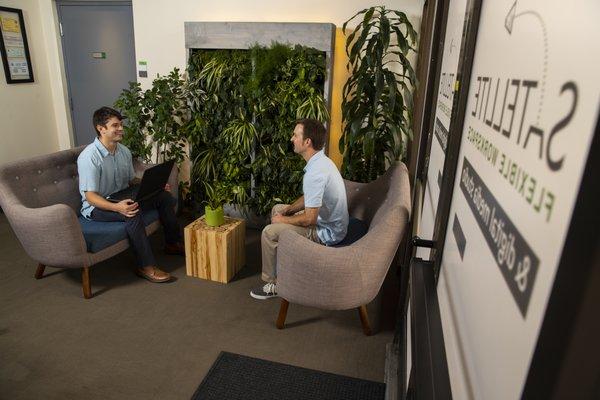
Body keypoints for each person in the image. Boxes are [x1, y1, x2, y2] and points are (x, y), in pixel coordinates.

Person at [77, 106, 185, 283]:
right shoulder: (89, 157)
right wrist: (117, 208)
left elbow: (130, 181)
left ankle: (172, 243)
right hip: (97, 206)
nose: (121, 129)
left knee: (163, 197)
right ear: (101, 128)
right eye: (115, 125)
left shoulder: (123, 151)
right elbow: (90, 197)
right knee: (132, 212)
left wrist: (153, 186)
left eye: (121, 124)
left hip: (121, 195)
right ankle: (146, 265)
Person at [250, 119, 349, 300]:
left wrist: (283, 221)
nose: (291, 139)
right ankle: (287, 267)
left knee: (269, 232)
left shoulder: (315, 173)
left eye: (295, 135)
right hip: (328, 223)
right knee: (278, 209)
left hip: (327, 233)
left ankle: (275, 284)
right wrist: (288, 211)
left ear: (307, 142)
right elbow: (311, 197)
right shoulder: (321, 162)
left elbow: (309, 219)